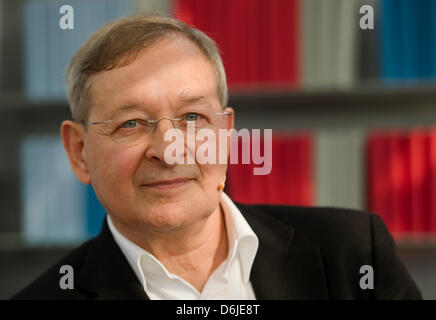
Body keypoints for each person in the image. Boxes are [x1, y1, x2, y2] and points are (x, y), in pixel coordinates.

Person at [12, 15, 421, 300]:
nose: (169, 150)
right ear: (79, 152)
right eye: (131, 124)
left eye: (192, 117)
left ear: (225, 134)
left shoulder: (353, 254)